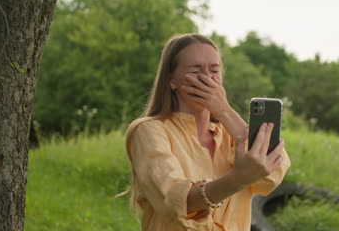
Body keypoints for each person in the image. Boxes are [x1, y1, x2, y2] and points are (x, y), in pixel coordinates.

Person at [121, 33, 291, 231]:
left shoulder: (231, 134)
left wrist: (225, 111)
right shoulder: (149, 131)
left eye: (214, 70)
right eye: (195, 70)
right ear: (172, 81)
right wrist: (238, 178)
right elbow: (175, 200)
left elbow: (273, 172)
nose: (206, 78)